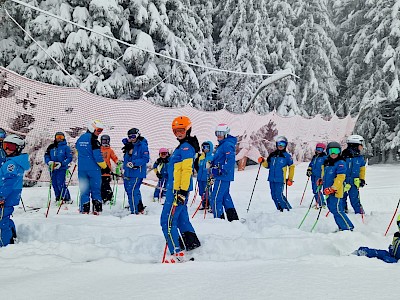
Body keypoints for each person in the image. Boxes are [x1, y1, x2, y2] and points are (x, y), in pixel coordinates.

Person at [160, 116, 201, 263]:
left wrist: (182, 191)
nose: (178, 133)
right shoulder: (185, 145)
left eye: (181, 130)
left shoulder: (185, 147)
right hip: (177, 188)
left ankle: (176, 252)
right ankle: (192, 244)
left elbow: (186, 170)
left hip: (177, 190)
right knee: (182, 219)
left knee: (167, 221)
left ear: (188, 129)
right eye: (176, 131)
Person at [0, 134, 30, 247]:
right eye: (5, 146)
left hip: (6, 196)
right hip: (10, 195)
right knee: (5, 217)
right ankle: (11, 235)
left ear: (17, 148)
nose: (7, 149)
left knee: (1, 221)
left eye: (11, 147)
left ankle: (4, 244)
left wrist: (1, 196)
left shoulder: (11, 164)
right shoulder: (15, 161)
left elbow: (8, 182)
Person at [320, 141, 354, 231]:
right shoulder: (327, 163)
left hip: (336, 191)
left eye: (336, 151)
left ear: (339, 152)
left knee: (338, 210)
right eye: (331, 151)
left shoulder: (340, 163)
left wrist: (333, 188)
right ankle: (342, 228)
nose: (334, 153)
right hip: (328, 191)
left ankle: (348, 227)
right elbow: (326, 175)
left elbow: (340, 178)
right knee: (332, 209)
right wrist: (321, 180)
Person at [75, 120, 107, 214]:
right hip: (94, 169)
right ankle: (97, 209)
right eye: (98, 130)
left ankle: (84, 209)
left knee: (84, 190)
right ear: (92, 128)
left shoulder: (80, 139)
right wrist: (105, 167)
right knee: (96, 189)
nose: (99, 133)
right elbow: (98, 158)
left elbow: (77, 151)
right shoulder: (94, 141)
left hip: (82, 169)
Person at [209, 125, 239, 221]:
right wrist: (212, 163)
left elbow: (230, 159)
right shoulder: (223, 144)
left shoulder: (227, 144)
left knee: (215, 197)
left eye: (221, 133)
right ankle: (233, 218)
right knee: (225, 196)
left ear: (226, 134)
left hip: (223, 176)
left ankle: (219, 219)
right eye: (217, 133)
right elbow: (220, 158)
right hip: (221, 175)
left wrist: (222, 169)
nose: (218, 136)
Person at [258, 136, 294, 212]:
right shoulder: (272, 155)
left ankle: (286, 210)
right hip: (271, 178)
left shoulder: (287, 156)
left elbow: (292, 167)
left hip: (280, 179)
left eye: (283, 144)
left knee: (279, 195)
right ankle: (280, 210)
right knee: (274, 196)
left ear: (285, 145)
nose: (281, 146)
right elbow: (268, 165)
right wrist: (263, 161)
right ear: (276, 144)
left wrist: (290, 179)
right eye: (279, 144)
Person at [122, 128, 149, 214]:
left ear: (137, 135)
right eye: (130, 137)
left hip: (137, 172)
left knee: (132, 190)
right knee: (131, 190)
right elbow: (126, 159)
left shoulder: (142, 145)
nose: (132, 138)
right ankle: (139, 207)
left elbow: (146, 159)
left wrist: (134, 163)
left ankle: (134, 211)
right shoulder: (129, 145)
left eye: (133, 136)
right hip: (128, 172)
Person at [44, 132, 73, 204]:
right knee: (54, 183)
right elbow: (46, 156)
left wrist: (62, 163)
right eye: (58, 137)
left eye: (61, 137)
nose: (59, 139)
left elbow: (69, 158)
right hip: (53, 168)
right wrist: (49, 162)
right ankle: (58, 197)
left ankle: (66, 198)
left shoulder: (66, 147)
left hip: (61, 168)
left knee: (60, 183)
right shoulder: (51, 147)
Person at [341, 135, 366, 214]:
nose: (362, 147)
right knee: (342, 196)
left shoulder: (360, 158)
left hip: (354, 181)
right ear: (355, 145)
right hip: (343, 181)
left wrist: (362, 179)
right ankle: (342, 210)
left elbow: (362, 170)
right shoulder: (344, 156)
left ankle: (359, 212)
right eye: (361, 145)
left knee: (354, 197)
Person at [100, 134, 119, 204]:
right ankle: (102, 198)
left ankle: (109, 198)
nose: (104, 143)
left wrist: (118, 162)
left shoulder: (110, 150)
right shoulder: (98, 150)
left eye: (106, 141)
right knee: (99, 186)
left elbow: (114, 158)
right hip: (98, 171)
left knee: (106, 185)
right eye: (103, 141)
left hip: (106, 172)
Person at [306, 143, 327, 207]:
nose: (318, 150)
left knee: (317, 189)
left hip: (319, 176)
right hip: (313, 175)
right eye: (317, 149)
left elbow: (326, 167)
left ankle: (321, 203)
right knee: (314, 189)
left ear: (323, 150)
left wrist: (323, 176)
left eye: (320, 149)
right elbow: (311, 164)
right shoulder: (315, 157)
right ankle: (318, 201)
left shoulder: (324, 157)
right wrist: (309, 170)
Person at [195, 141, 214, 210]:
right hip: (200, 178)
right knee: (202, 192)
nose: (205, 149)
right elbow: (198, 166)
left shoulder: (212, 157)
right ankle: (204, 204)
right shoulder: (201, 157)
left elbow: (213, 168)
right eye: (204, 147)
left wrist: (212, 177)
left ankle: (211, 205)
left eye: (207, 147)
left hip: (207, 178)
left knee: (208, 192)